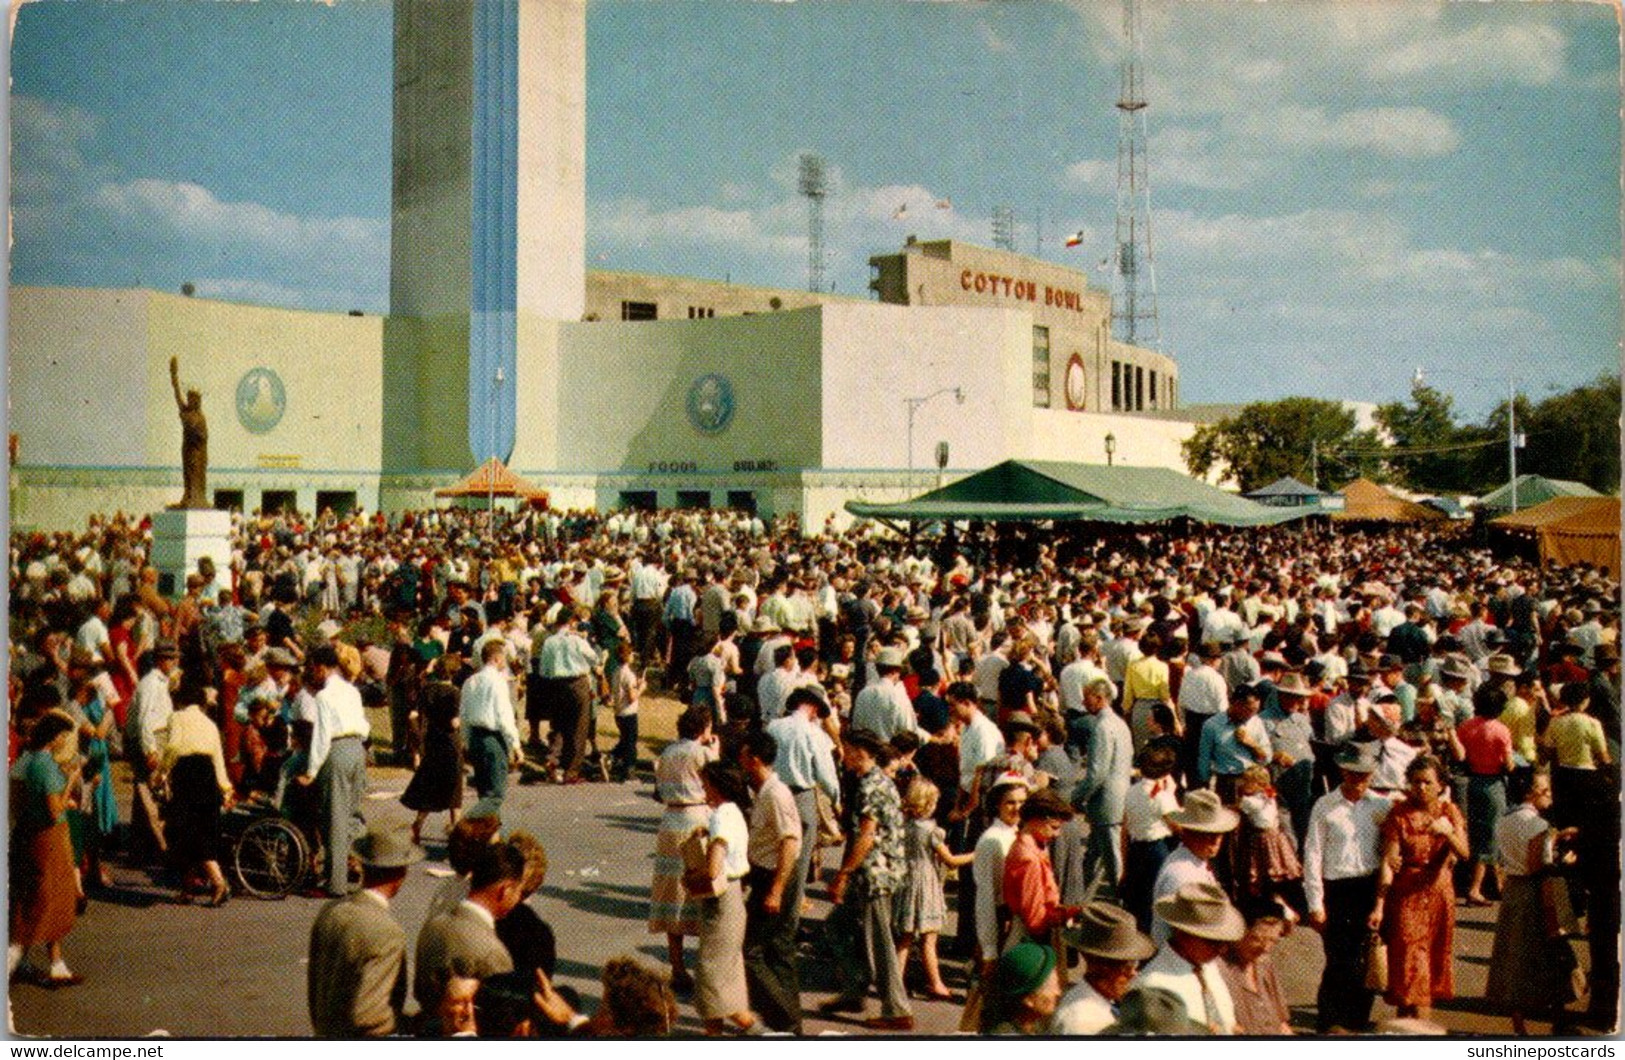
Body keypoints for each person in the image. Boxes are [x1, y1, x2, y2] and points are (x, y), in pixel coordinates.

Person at [820, 728, 913, 1031]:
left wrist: (843, 874)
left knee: (879, 941)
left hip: (876, 873)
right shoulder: (875, 780)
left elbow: (867, 836)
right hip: (876, 871)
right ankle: (854, 989)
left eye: (845, 750)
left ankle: (896, 1008)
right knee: (837, 926)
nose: (842, 756)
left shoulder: (871, 785)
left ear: (860, 751)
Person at [1372, 755, 1469, 1020]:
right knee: (1409, 965)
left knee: (1429, 966)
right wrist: (1379, 906)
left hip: (1439, 894)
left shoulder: (1450, 812)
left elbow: (1464, 853)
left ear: (1440, 785)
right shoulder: (1399, 814)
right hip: (1406, 895)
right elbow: (1389, 863)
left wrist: (1447, 832)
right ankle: (1407, 1031)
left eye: (1427, 782)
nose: (1421, 788)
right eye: (1415, 782)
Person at [1303, 740, 1389, 1034]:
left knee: (1365, 962)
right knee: (1338, 962)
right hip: (1337, 890)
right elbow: (1312, 854)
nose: (1358, 781)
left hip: (1368, 888)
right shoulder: (1325, 806)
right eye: (1352, 773)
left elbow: (1393, 849)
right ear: (1342, 771)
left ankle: (1357, 1023)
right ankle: (1330, 1024)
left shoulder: (1382, 805)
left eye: (1364, 775)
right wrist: (1315, 903)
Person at [306, 825, 425, 1037]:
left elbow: (316, 990)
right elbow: (370, 1016)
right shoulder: (386, 931)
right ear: (401, 873)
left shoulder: (330, 911)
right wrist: (411, 1025)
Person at [1485, 769, 1580, 1034]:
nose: (1549, 795)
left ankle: (1520, 1026)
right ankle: (1559, 1019)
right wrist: (1562, 860)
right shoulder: (1537, 824)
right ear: (1531, 793)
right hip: (1535, 892)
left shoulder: (1504, 819)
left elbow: (1519, 854)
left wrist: (1555, 838)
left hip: (1514, 891)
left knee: (1513, 955)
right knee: (1550, 952)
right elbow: (1535, 865)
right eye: (1545, 790)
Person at [8, 710, 85, 987]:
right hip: (51, 836)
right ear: (54, 737)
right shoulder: (47, 765)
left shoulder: (28, 761)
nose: (64, 740)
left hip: (31, 833)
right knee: (50, 900)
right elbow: (54, 810)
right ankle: (15, 958)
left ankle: (54, 963)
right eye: (62, 735)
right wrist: (72, 784)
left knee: (41, 898)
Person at [415, 838, 526, 1029]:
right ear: (505, 891)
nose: (518, 899)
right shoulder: (492, 951)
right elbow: (501, 1024)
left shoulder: (434, 925)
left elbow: (420, 991)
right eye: (519, 892)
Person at [648, 705, 718, 993]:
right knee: (702, 890)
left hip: (670, 821)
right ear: (703, 729)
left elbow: (657, 790)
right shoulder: (701, 753)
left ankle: (678, 967)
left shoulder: (667, 753)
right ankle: (707, 965)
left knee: (672, 892)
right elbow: (718, 780)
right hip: (696, 818)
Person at [738, 729, 803, 1033]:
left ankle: (783, 1018)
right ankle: (791, 1022)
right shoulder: (763, 790)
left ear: (754, 760)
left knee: (751, 951)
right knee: (779, 950)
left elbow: (790, 841)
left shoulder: (776, 794)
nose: (740, 760)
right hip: (766, 873)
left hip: (774, 877)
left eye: (743, 755)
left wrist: (776, 890)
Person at [691, 760, 761, 1035]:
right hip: (734, 898)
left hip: (721, 899)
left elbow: (713, 868)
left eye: (706, 784)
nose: (703, 789)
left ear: (716, 786)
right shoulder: (734, 813)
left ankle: (758, 1032)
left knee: (712, 976)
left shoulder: (720, 816)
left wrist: (693, 872)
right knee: (723, 976)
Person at [297, 643, 371, 896]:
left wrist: (312, 770)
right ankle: (356, 862)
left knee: (334, 819)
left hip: (337, 750)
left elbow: (322, 735)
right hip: (357, 749)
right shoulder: (352, 691)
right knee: (351, 813)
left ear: (320, 667)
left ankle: (335, 882)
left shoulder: (324, 696)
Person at [894, 777, 972, 1001]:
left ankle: (896, 982)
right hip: (926, 883)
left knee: (905, 938)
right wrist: (976, 854)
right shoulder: (932, 831)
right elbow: (951, 861)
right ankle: (936, 983)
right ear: (929, 803)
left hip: (907, 881)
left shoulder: (905, 825)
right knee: (929, 939)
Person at [159, 681, 235, 906]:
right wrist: (226, 787)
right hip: (208, 776)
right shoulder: (210, 724)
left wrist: (163, 771)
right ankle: (188, 887)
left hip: (187, 774)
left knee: (185, 832)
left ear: (180, 700)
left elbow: (172, 746)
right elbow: (218, 758)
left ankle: (219, 882)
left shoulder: (177, 717)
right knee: (202, 830)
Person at [1134, 881, 1243, 1034]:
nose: (1222, 949)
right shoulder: (1154, 987)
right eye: (1213, 942)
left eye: (1225, 942)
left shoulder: (1208, 967)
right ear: (1183, 934)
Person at [1052, 902, 1157, 1035]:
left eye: (1135, 963)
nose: (1134, 973)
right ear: (1102, 967)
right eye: (1127, 967)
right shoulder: (1081, 1022)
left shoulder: (1101, 1003)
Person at [1149, 789, 1238, 945]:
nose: (1215, 841)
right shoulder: (1183, 875)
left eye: (1219, 833)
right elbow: (1186, 936)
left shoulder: (1192, 858)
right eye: (1206, 834)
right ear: (1187, 833)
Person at [1003, 787, 1083, 953]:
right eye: (1054, 827)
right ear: (1037, 820)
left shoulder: (1034, 845)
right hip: (1031, 942)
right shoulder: (1029, 859)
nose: (1057, 834)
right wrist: (1068, 913)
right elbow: (1035, 920)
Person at [1072, 676, 1132, 892]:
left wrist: (1076, 797)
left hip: (1107, 804)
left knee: (1113, 862)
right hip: (1116, 800)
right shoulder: (1119, 723)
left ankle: (1121, 904)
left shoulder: (1102, 727)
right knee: (1092, 857)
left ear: (1099, 698)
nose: (1083, 704)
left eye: (1086, 699)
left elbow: (1097, 773)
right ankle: (1077, 899)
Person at [1457, 684, 1515, 906]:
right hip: (1493, 784)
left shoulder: (1466, 726)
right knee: (1490, 836)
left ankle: (1496, 883)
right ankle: (1476, 888)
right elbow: (1509, 765)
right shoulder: (1501, 730)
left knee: (1476, 832)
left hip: (1471, 781)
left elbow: (1461, 754)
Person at [400, 651, 465, 845]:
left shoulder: (427, 690)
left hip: (432, 741)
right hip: (450, 742)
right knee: (455, 788)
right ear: (454, 672)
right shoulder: (455, 693)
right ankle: (456, 829)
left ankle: (418, 824)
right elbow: (454, 722)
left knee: (430, 786)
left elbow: (417, 713)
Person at [1121, 745, 1181, 931]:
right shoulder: (1163, 797)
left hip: (1135, 850)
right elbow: (1178, 827)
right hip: (1158, 851)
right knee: (1156, 901)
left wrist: (1124, 864)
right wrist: (1172, 794)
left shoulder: (1131, 791)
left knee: (1137, 904)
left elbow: (1124, 830)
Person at [1216, 896, 1294, 1035]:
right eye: (1256, 939)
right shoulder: (1218, 969)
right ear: (1237, 932)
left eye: (1273, 940)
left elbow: (1283, 1024)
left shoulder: (1264, 962)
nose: (1265, 948)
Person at [459, 639, 521, 810]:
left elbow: (463, 715)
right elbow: (504, 716)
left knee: (483, 791)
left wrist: (466, 741)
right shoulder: (498, 682)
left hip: (475, 738)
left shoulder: (470, 681)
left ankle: (490, 834)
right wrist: (515, 745)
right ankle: (468, 824)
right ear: (496, 659)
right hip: (492, 739)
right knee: (495, 794)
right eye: (504, 658)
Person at [1233, 764, 1302, 907]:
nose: (1243, 784)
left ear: (1259, 784)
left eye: (1247, 782)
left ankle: (1274, 899)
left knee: (1263, 869)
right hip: (1276, 836)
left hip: (1262, 838)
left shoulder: (1250, 802)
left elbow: (1238, 808)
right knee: (1275, 867)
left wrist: (1237, 798)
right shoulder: (1269, 796)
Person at [978, 941, 1062, 1035]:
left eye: (1057, 984)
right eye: (1053, 987)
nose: (1058, 993)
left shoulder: (1032, 1025)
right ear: (1029, 999)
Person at [608, 643, 644, 781]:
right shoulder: (628, 674)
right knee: (630, 742)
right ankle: (629, 770)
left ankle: (611, 757)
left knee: (624, 739)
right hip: (629, 712)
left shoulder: (616, 672)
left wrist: (637, 685)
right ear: (627, 656)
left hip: (618, 711)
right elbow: (632, 697)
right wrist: (642, 688)